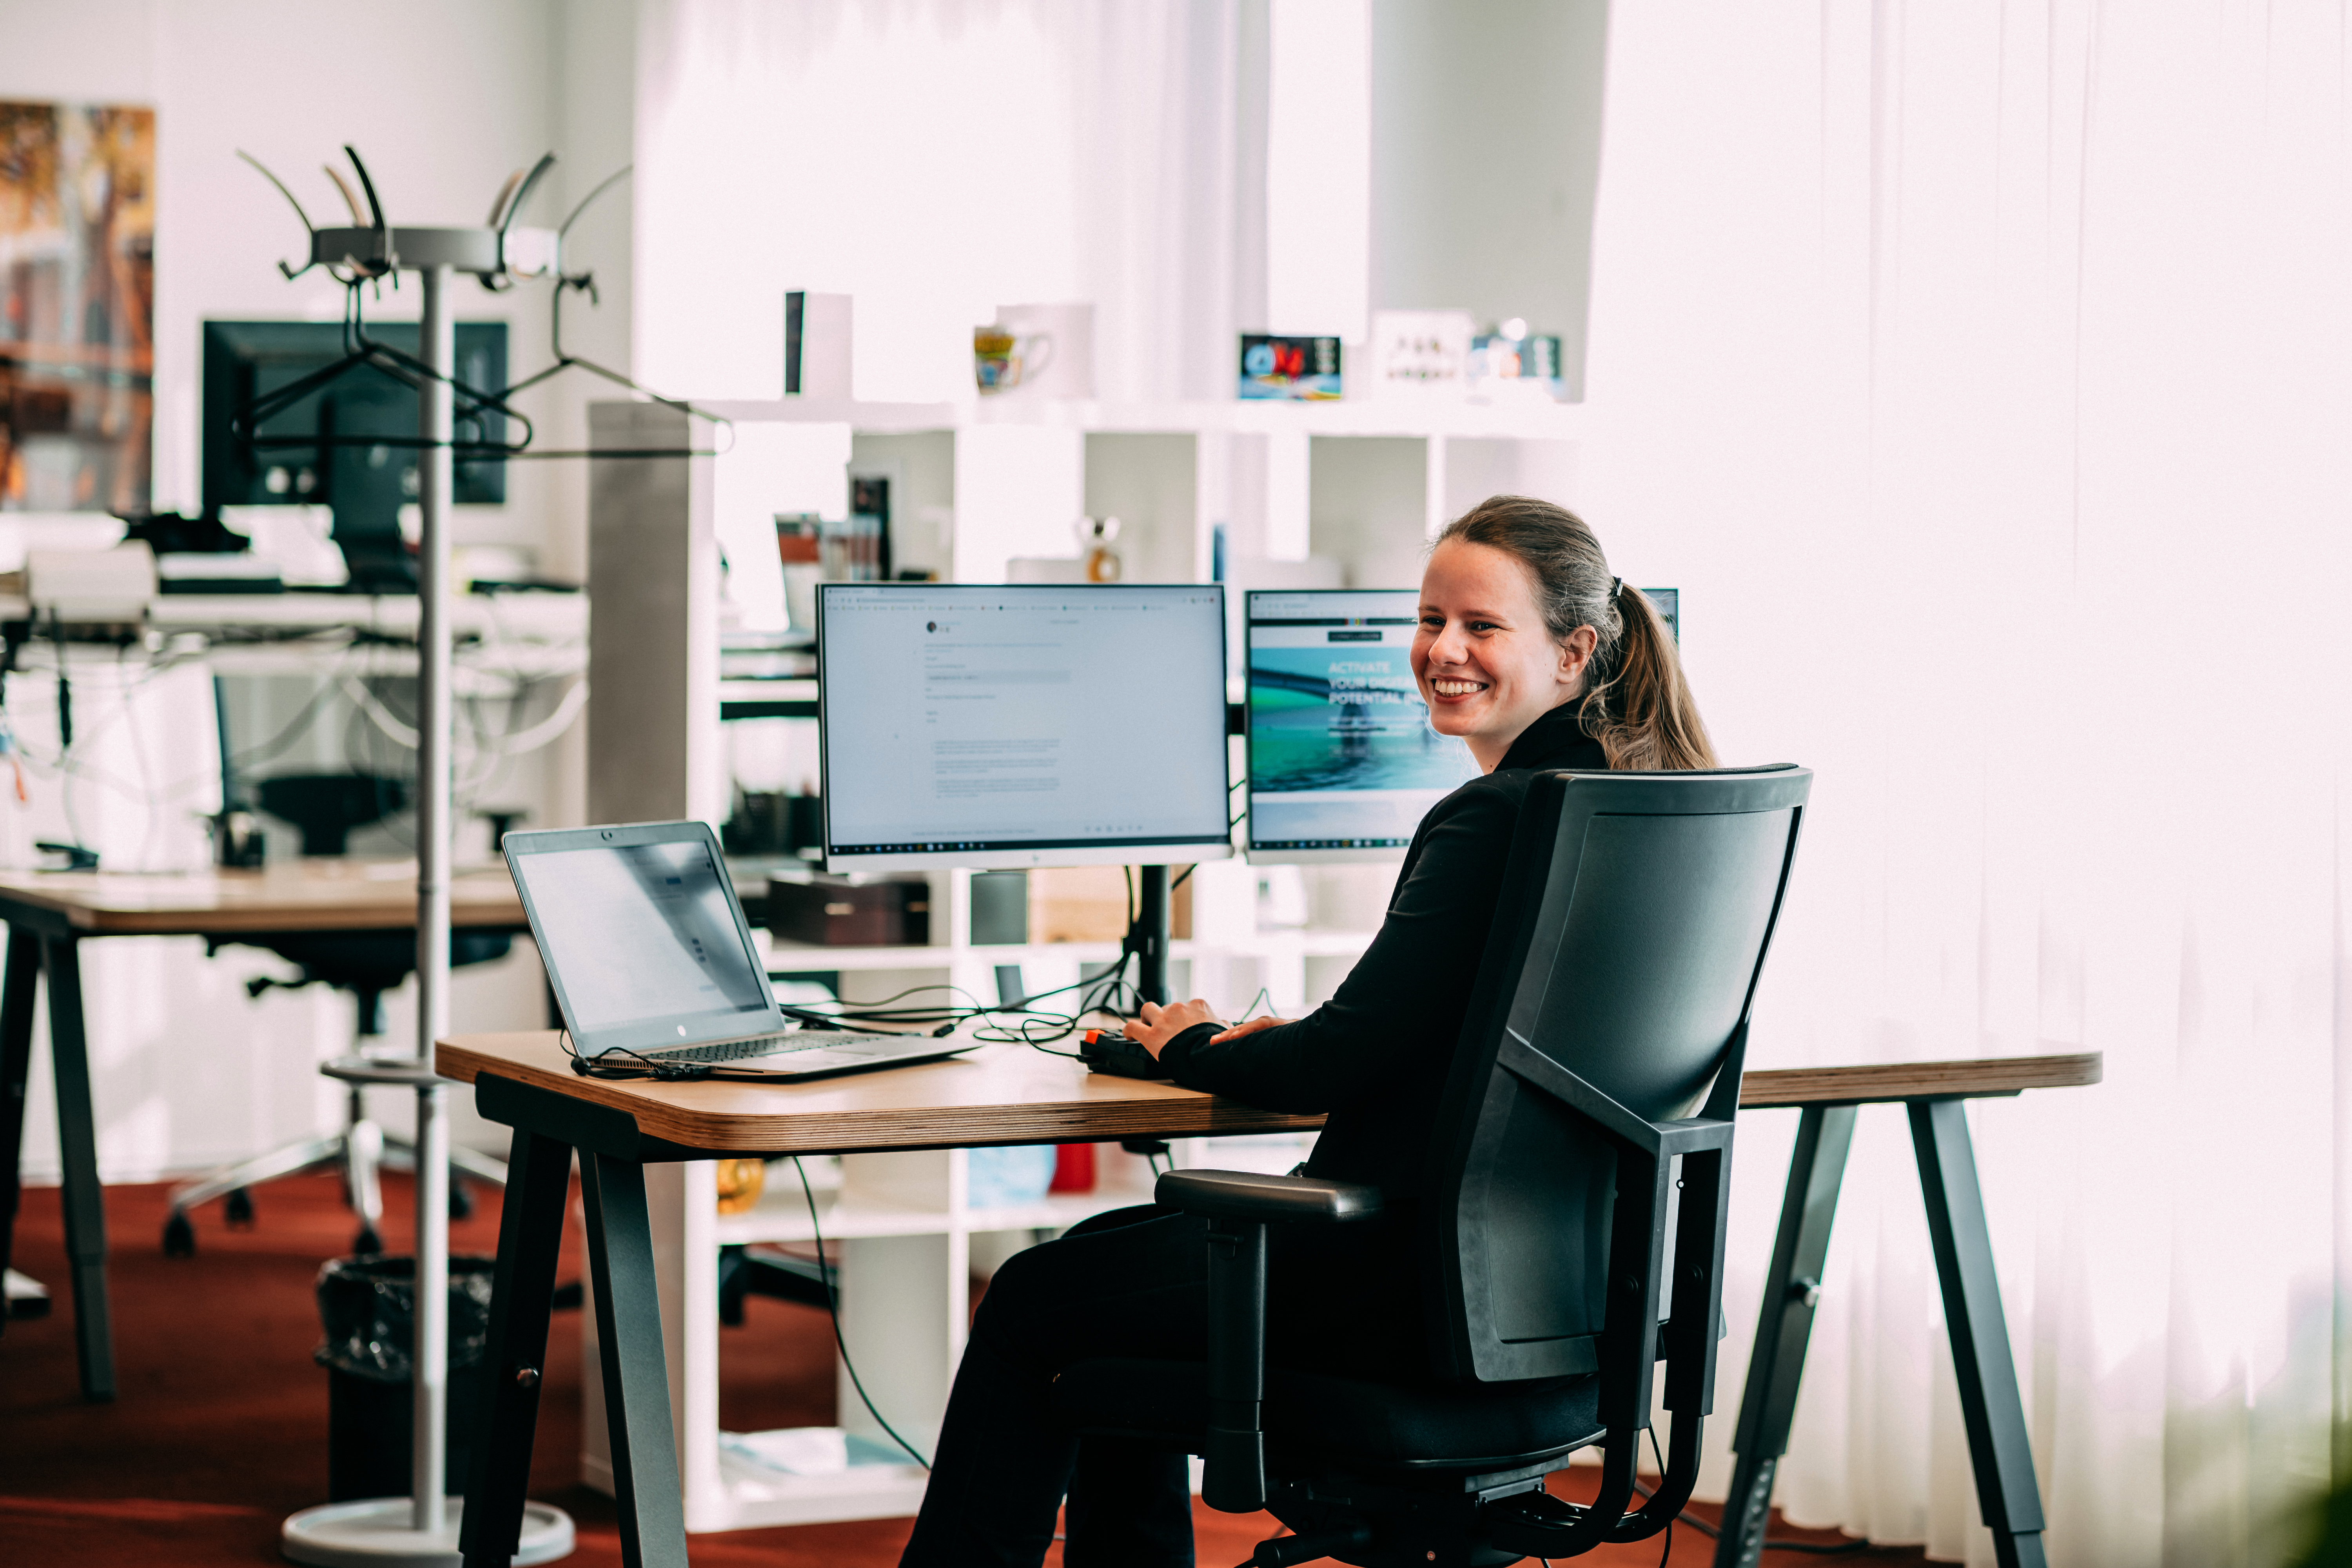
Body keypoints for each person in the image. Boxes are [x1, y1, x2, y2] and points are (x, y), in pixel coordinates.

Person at [897, 495, 1717, 1568]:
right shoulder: (1651, 810)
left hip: (1400, 1290)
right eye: (1429, 620)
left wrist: (1187, 1044)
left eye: (1481, 625)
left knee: (1031, 1299)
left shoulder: (1495, 818)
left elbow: (1335, 1060)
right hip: (1568, 1306)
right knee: (1096, 1259)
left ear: (1574, 653)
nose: (1442, 651)